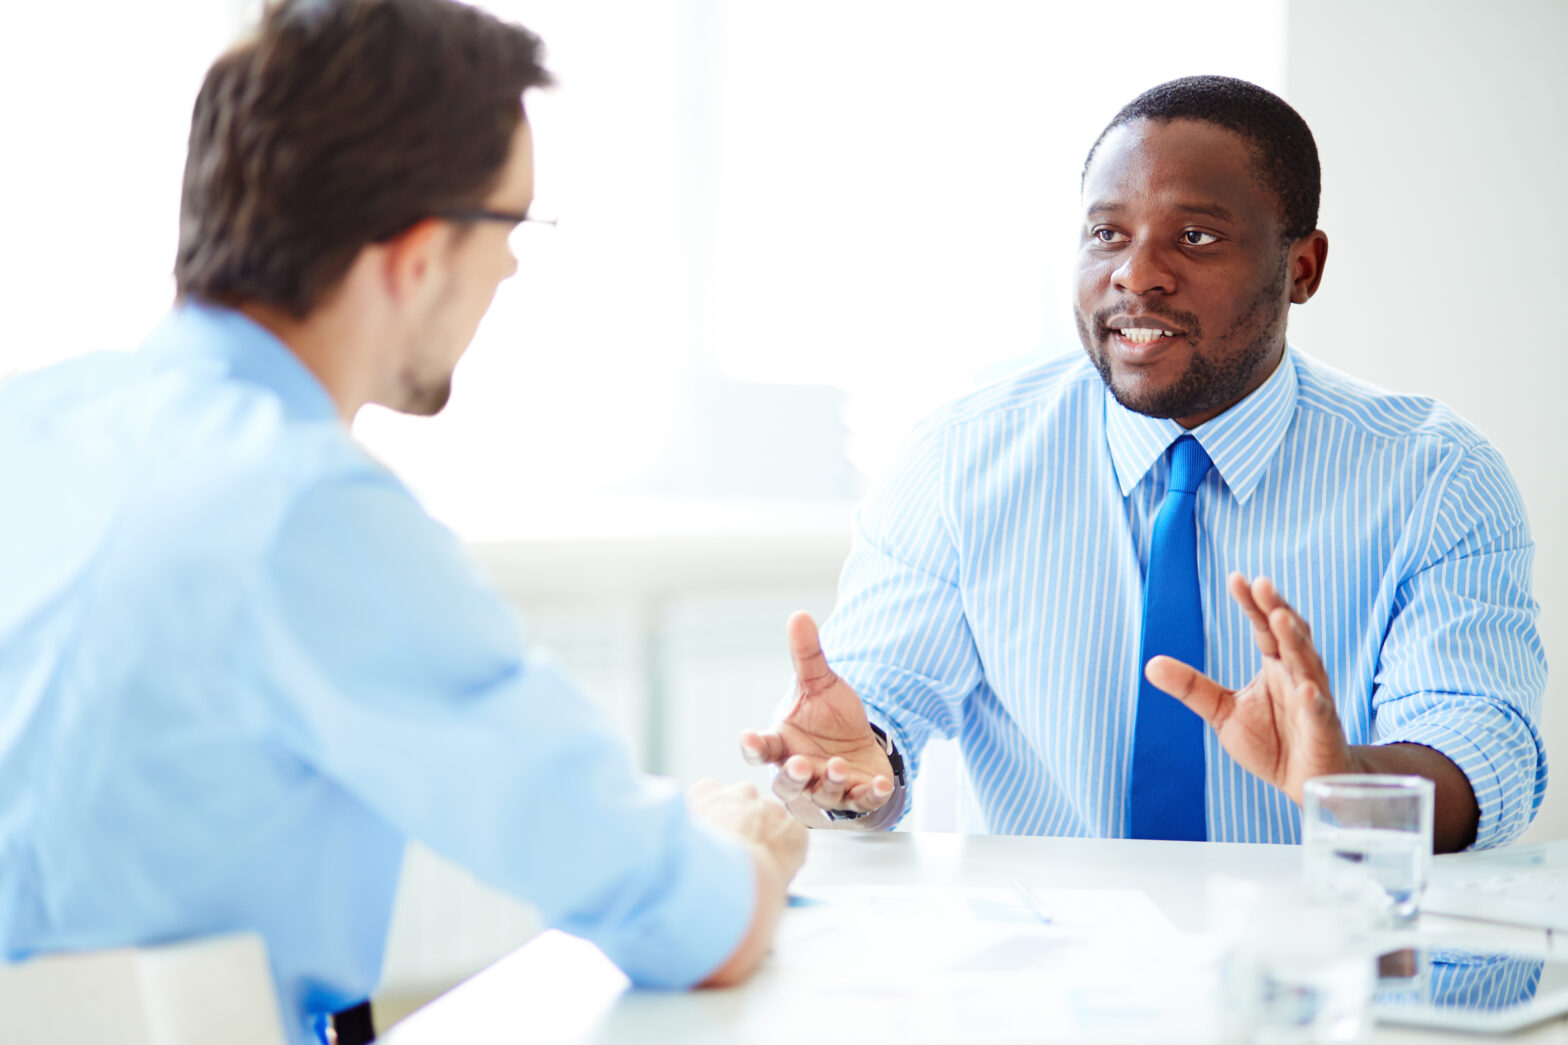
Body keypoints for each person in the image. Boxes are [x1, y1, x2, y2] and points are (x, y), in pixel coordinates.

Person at [0, 2, 805, 1043]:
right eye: (512, 225)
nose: (511, 268)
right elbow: (688, 920)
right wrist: (745, 847)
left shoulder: (29, 423)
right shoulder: (311, 512)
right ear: (419, 255)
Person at [742, 75, 1546, 855]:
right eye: (1107, 234)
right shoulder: (959, 459)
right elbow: (879, 709)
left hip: (1321, 963)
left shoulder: (1436, 478)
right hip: (1051, 969)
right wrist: (851, 766)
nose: (1136, 274)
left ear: (1302, 267)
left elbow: (1481, 742)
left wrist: (1348, 779)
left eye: (1195, 237)